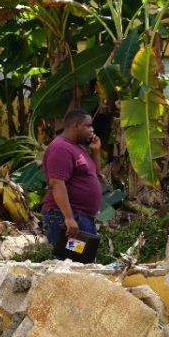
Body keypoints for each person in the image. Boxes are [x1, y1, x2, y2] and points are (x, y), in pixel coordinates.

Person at [41, 109, 102, 262]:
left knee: (84, 264)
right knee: (77, 265)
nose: (92, 130)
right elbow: (57, 184)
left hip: (79, 217)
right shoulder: (61, 148)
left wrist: (95, 151)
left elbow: (94, 172)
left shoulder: (76, 147)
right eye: (88, 126)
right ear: (76, 126)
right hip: (65, 218)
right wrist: (68, 218)